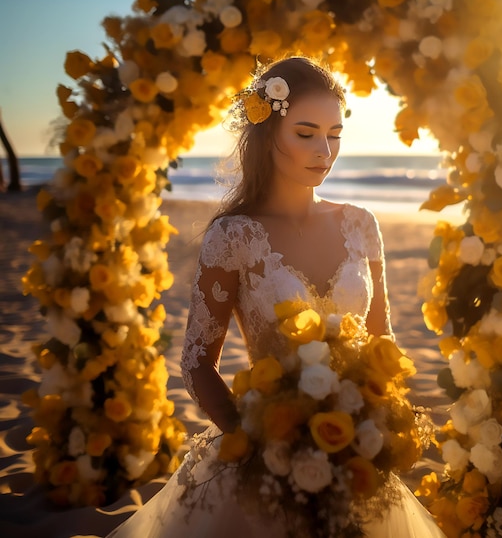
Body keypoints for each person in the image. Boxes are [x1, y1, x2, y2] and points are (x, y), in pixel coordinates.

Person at [108, 56, 445, 537]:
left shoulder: (361, 225)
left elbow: (381, 340)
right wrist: (255, 448)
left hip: (356, 456)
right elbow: (198, 362)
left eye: (335, 134)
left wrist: (377, 430)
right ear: (269, 134)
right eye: (305, 133)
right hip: (265, 458)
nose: (324, 151)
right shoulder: (233, 236)